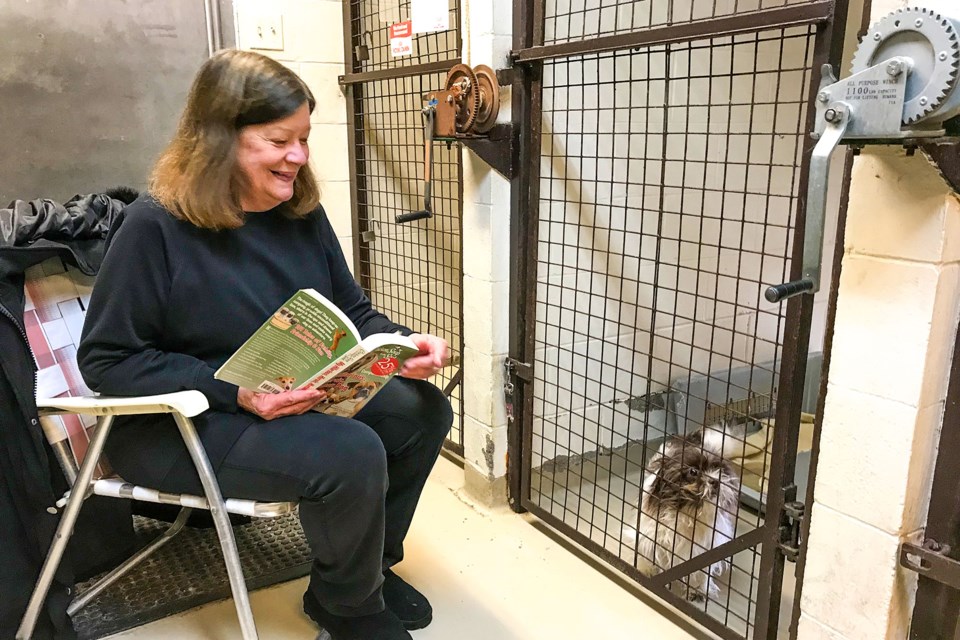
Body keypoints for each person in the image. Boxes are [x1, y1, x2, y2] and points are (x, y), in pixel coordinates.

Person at [77, 49, 453, 640]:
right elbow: (107, 361)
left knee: (421, 411)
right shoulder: (154, 227)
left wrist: (404, 347)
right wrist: (234, 391)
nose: (299, 158)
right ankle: (351, 610)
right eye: (281, 141)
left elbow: (351, 312)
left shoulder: (299, 211)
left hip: (283, 398)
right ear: (221, 139)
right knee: (349, 451)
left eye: (303, 139)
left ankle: (357, 576)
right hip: (178, 422)